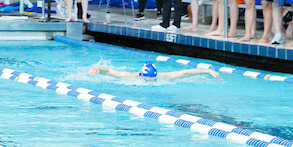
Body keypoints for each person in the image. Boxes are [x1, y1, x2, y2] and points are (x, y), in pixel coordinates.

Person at [88, 61, 220, 80]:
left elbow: (185, 73)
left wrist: (207, 71)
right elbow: (109, 71)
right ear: (141, 75)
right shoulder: (131, 76)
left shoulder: (162, 77)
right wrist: (96, 68)